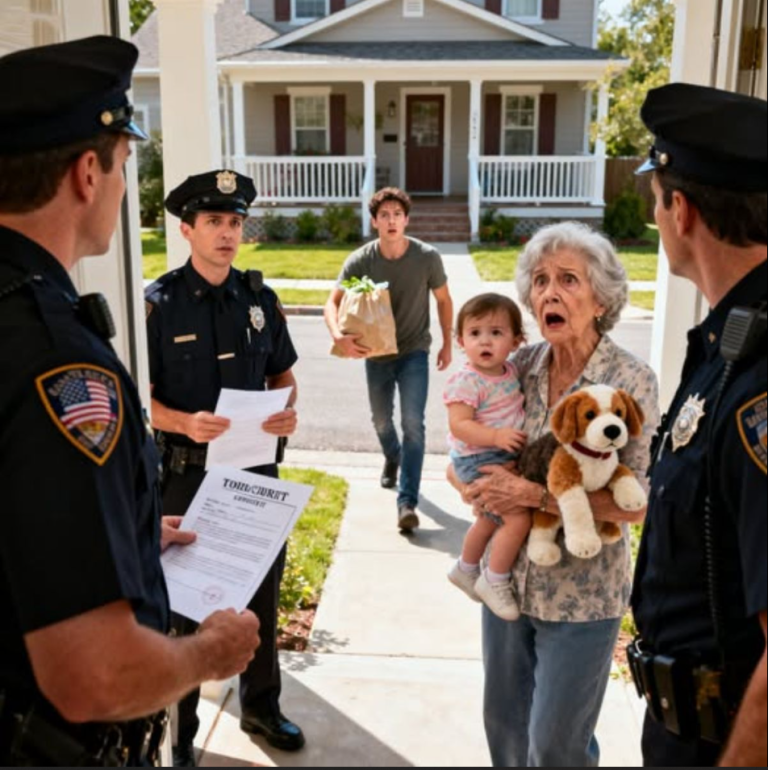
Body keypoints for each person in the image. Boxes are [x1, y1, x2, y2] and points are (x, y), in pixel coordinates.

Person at [0, 37, 260, 767]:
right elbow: (95, 676)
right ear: (88, 173)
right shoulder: (58, 362)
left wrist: (134, 534)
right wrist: (210, 652)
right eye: (121, 164)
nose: (121, 187)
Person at [454, 222, 660, 767]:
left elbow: (638, 502)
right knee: (504, 729)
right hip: (507, 581)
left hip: (583, 594)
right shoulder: (518, 366)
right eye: (541, 280)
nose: (549, 292)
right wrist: (474, 485)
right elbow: (465, 440)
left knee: (555, 747)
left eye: (569, 279)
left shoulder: (630, 380)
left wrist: (536, 496)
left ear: (601, 300)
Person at [145, 170, 303, 765]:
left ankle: (261, 707)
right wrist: (183, 422)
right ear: (187, 230)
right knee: (184, 611)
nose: (227, 233)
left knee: (260, 596)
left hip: (255, 474)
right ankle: (179, 734)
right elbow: (142, 398)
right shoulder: (158, 305)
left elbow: (282, 375)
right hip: (186, 476)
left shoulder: (259, 300)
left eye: (235, 222)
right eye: (214, 221)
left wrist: (286, 410)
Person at [630, 83, 767, 768]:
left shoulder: (757, 382)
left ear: (680, 211)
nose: (657, 218)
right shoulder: (730, 342)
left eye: (656, 200)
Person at [324, 188, 454, 532]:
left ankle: (407, 502)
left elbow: (443, 300)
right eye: (384, 215)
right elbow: (332, 303)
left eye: (397, 214)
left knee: (414, 424)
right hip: (377, 353)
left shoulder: (427, 257)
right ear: (374, 222)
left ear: (406, 220)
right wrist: (337, 335)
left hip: (414, 352)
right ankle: (392, 455)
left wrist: (447, 343)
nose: (391, 220)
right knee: (381, 421)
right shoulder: (361, 260)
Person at [444, 294, 529, 621]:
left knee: (490, 518)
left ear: (516, 340)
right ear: (460, 341)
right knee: (517, 518)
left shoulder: (509, 371)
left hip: (493, 453)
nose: (485, 341)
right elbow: (459, 425)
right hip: (477, 457)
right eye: (475, 333)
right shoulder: (467, 380)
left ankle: (466, 568)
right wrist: (496, 437)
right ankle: (494, 578)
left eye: (496, 333)